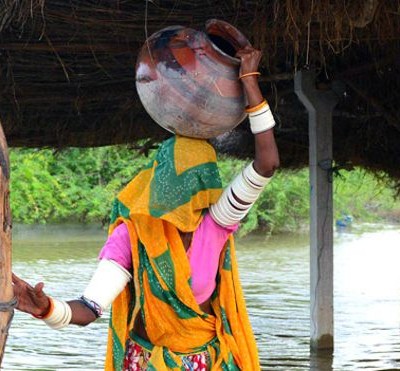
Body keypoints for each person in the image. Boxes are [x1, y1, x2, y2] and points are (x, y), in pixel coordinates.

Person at [12, 45, 279, 370]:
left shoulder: (216, 222)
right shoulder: (134, 235)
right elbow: (88, 307)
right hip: (145, 361)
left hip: (204, 361)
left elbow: (266, 164)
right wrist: (45, 308)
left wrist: (250, 80)